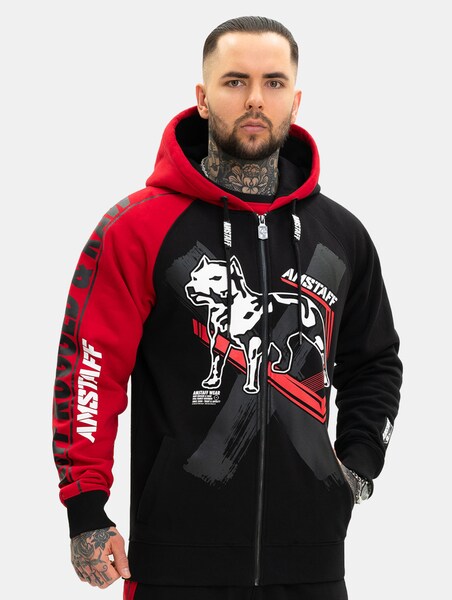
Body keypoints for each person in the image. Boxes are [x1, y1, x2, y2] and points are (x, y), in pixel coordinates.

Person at [52, 15, 403, 600]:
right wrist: (85, 507)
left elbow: (375, 362)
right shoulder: (139, 228)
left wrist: (357, 467)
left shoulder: (340, 236)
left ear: (295, 99)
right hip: (174, 563)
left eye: (273, 82)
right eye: (235, 81)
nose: (255, 99)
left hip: (312, 565)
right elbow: (90, 369)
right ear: (202, 96)